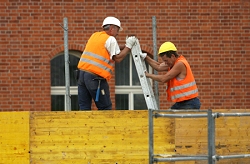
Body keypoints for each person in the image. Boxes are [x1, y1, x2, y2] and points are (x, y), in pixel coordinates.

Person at [77, 16, 136, 110]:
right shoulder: (110, 39)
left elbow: (109, 48)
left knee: (84, 108)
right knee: (105, 108)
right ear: (112, 28)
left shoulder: (95, 36)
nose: (117, 33)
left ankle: (83, 125)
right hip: (95, 78)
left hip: (82, 76)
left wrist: (124, 46)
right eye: (117, 30)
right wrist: (128, 47)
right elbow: (118, 58)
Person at [141, 41, 201, 110]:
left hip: (190, 103)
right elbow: (158, 66)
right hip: (181, 103)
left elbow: (164, 78)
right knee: (168, 118)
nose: (165, 63)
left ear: (172, 56)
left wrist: (147, 75)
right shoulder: (173, 63)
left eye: (166, 60)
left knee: (171, 118)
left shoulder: (180, 64)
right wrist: (146, 57)